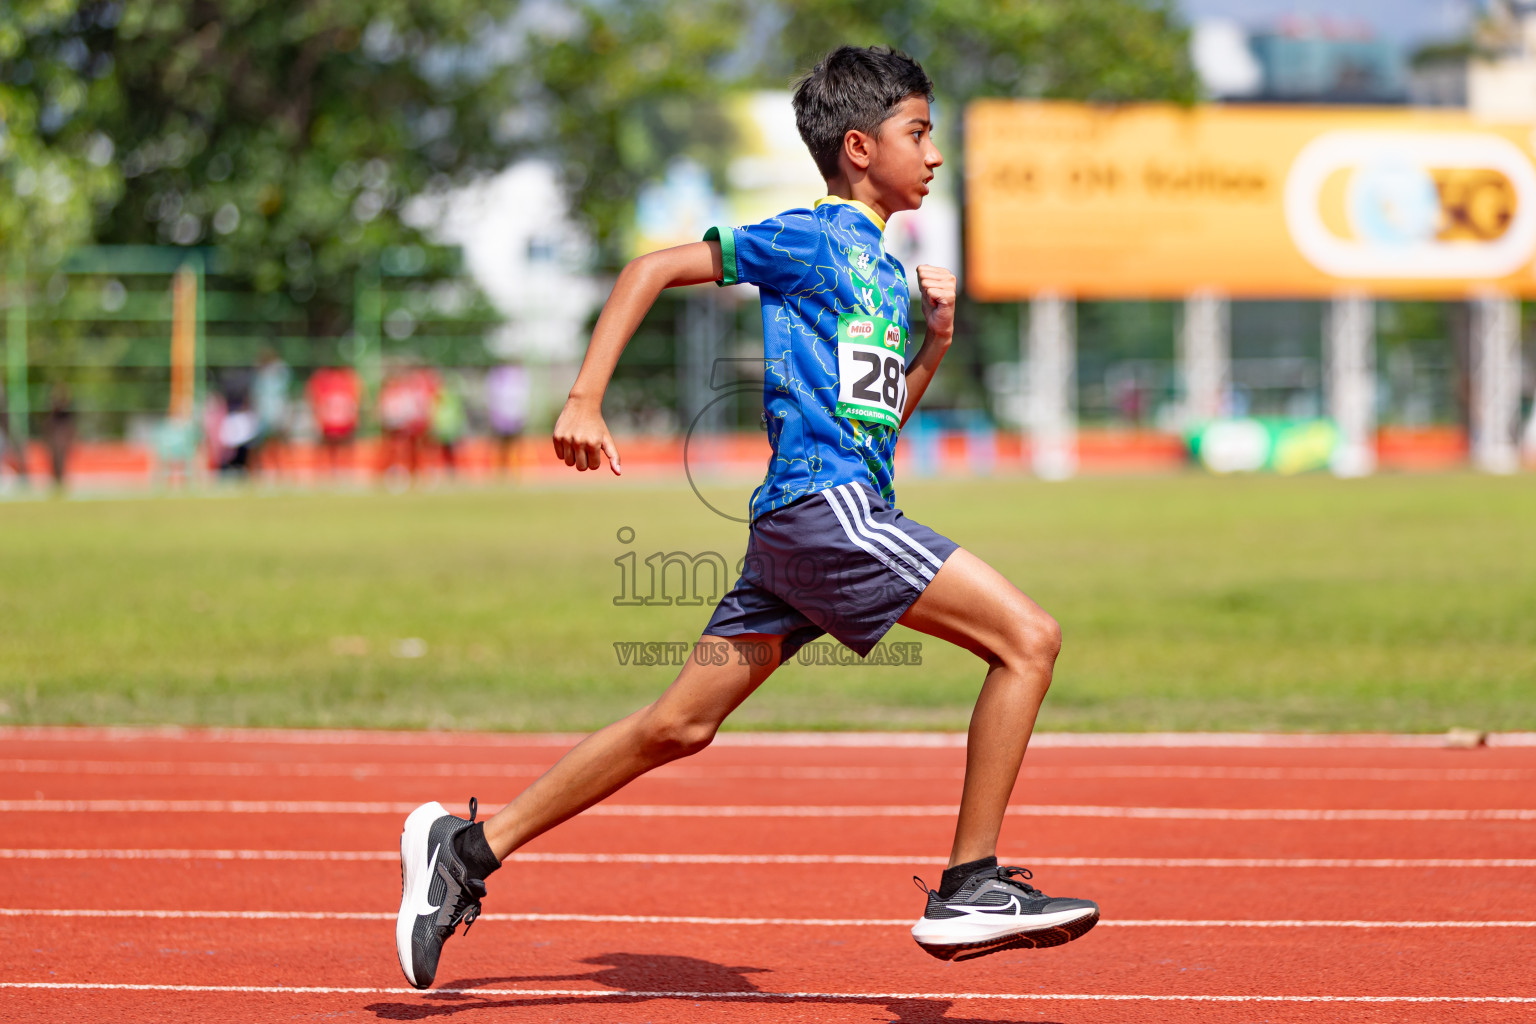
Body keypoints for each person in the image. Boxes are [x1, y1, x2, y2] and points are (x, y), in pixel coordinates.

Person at [395, 45, 1098, 990]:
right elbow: (651, 266)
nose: (935, 157)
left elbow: (880, 422)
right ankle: (970, 884)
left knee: (678, 727)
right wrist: (584, 397)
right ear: (858, 147)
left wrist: (933, 345)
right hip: (823, 513)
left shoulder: (889, 276)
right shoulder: (810, 239)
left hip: (813, 525)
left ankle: (466, 851)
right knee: (1029, 638)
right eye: (918, 134)